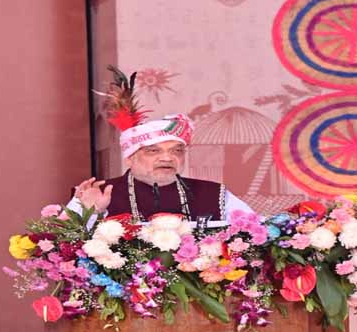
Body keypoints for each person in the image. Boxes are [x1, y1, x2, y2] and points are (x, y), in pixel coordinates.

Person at [69, 68, 253, 223]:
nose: (167, 158)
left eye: (177, 151)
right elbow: (59, 244)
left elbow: (258, 233)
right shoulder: (97, 193)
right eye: (153, 151)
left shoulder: (212, 194)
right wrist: (91, 213)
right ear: (130, 158)